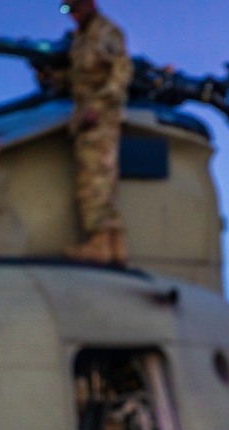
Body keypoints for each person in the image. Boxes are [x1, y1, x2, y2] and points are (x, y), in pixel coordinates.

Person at [42, 0, 133, 265]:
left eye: (76, 7)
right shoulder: (80, 39)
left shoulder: (106, 32)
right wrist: (51, 76)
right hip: (86, 115)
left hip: (98, 117)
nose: (72, 14)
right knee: (101, 179)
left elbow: (121, 72)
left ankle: (100, 244)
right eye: (67, 10)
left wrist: (99, 105)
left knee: (94, 181)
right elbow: (76, 78)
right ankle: (114, 247)